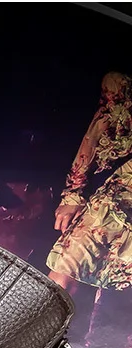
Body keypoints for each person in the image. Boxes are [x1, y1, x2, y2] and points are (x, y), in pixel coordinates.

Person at [47, 71, 132, 298]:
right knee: (64, 278)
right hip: (114, 203)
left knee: (108, 302)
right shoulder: (121, 88)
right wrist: (73, 193)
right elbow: (95, 135)